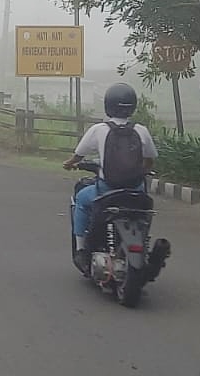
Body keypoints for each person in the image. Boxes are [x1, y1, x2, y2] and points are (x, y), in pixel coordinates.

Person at [63, 82, 157, 272]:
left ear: (108, 104)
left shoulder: (99, 129)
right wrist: (141, 171)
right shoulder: (141, 130)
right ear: (133, 105)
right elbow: (149, 160)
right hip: (136, 192)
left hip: (107, 192)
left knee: (80, 200)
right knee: (143, 214)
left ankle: (81, 250)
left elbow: (78, 155)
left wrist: (70, 163)